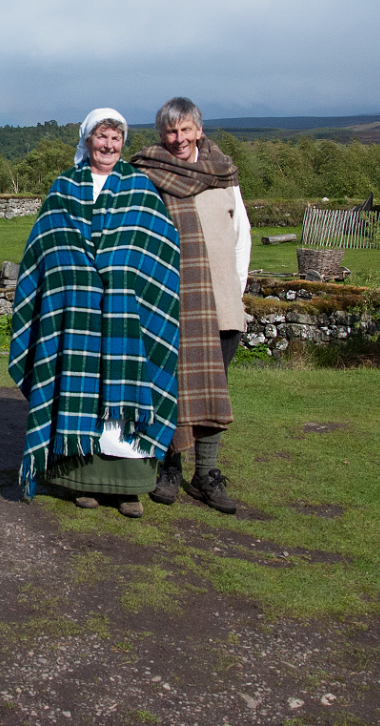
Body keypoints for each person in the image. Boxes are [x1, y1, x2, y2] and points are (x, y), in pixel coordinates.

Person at [10, 108, 184, 519]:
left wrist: (124, 270)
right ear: (88, 140)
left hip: (127, 315)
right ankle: (81, 481)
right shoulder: (64, 188)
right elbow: (46, 246)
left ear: (123, 143)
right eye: (102, 137)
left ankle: (129, 488)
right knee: (80, 390)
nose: (109, 145)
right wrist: (76, 274)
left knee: (125, 395)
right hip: (76, 312)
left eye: (116, 138)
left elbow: (161, 247)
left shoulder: (139, 188)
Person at [130, 97, 251, 514]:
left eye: (185, 129)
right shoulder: (150, 175)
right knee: (171, 384)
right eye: (171, 131)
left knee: (214, 386)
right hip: (172, 303)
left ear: (199, 130)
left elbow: (241, 236)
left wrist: (235, 291)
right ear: (161, 134)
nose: (179, 138)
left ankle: (206, 474)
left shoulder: (223, 174)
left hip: (222, 301)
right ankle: (169, 468)